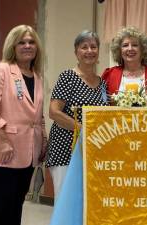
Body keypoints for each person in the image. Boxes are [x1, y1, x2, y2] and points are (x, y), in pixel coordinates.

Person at [0, 25, 47, 225]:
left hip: (28, 153)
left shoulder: (36, 76)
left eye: (31, 42)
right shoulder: (1, 70)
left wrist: (43, 141)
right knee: (2, 206)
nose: (27, 46)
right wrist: (3, 141)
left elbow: (38, 116)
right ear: (13, 46)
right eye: (22, 42)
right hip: (4, 152)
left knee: (16, 205)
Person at [45, 30, 107, 201]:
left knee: (87, 204)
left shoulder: (102, 83)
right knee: (66, 202)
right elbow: (54, 112)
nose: (89, 51)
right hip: (66, 149)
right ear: (76, 52)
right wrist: (83, 130)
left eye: (93, 47)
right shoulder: (68, 77)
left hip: (92, 151)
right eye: (84, 47)